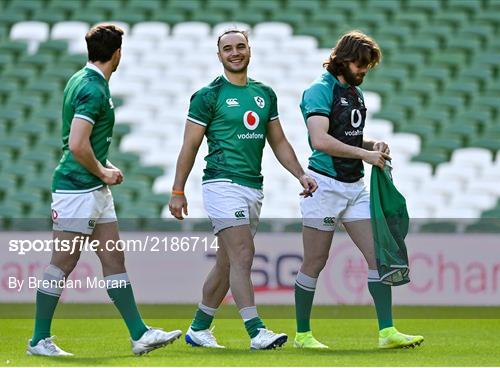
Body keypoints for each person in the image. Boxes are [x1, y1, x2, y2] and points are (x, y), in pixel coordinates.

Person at [27, 24, 181, 357]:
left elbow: (85, 142)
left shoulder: (81, 81)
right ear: (117, 54)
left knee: (113, 257)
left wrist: (104, 170)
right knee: (63, 263)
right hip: (77, 188)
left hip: (93, 188)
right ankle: (39, 339)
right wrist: (102, 171)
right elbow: (77, 143)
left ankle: (139, 334)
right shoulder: (92, 88)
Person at [169, 29, 317, 350]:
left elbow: (278, 141)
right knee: (243, 255)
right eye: (227, 48)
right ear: (219, 55)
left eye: (240, 46)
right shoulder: (207, 96)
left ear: (249, 50)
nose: (234, 52)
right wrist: (178, 189)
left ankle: (199, 328)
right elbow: (190, 145)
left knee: (227, 263)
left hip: (253, 187)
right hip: (221, 183)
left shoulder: (265, 94)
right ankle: (256, 331)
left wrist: (300, 175)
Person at [294, 30, 424, 349]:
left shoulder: (354, 92)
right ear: (343, 59)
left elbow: (348, 140)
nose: (364, 70)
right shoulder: (318, 91)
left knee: (378, 257)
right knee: (315, 261)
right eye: (360, 64)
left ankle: (387, 332)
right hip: (323, 186)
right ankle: (302, 335)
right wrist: (365, 154)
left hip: (355, 187)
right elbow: (320, 140)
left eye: (367, 65)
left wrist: (371, 145)